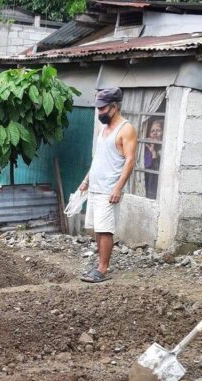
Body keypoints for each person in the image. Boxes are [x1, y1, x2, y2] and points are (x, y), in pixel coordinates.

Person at [78, 87, 137, 283]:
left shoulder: (126, 129)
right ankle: (99, 265)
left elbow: (130, 160)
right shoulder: (104, 129)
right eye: (98, 108)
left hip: (109, 188)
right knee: (97, 228)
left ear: (114, 107)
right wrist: (86, 180)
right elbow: (99, 158)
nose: (99, 112)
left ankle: (103, 269)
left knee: (105, 230)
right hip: (96, 186)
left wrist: (118, 187)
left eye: (102, 108)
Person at [143, 118, 163, 199]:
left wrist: (154, 152)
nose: (155, 133)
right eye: (152, 131)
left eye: (158, 130)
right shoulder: (146, 149)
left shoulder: (165, 150)